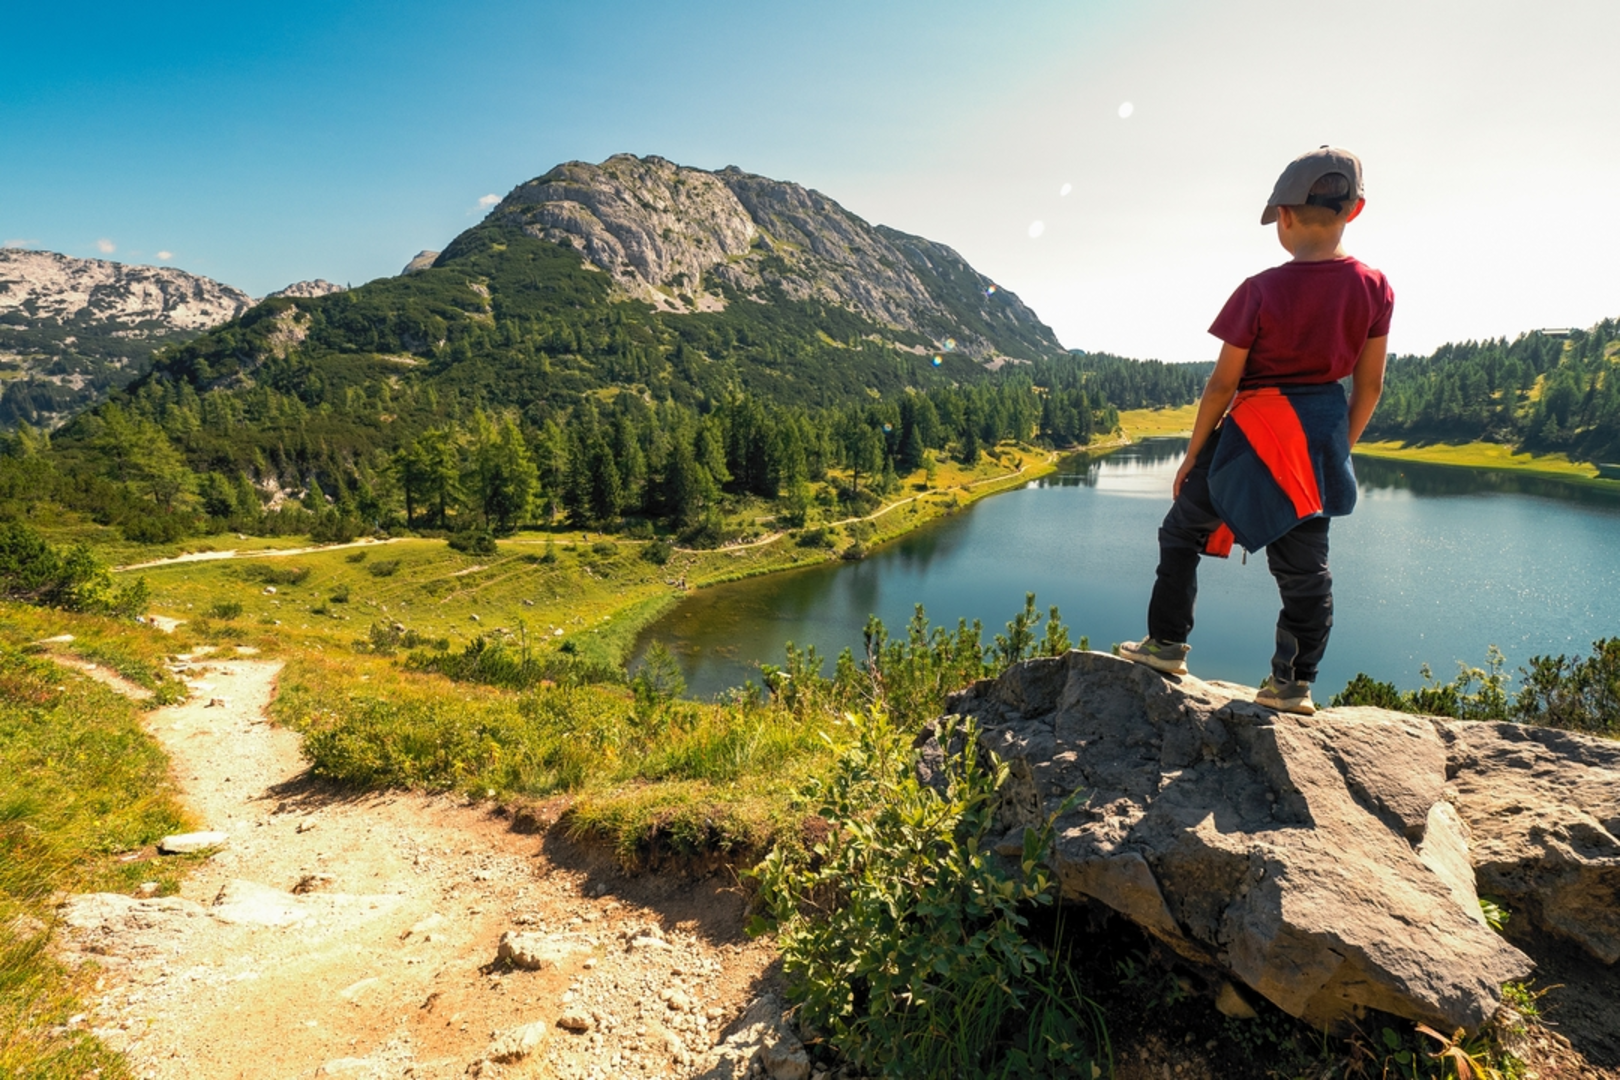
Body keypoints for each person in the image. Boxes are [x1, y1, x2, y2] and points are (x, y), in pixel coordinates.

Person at [1118, 146, 1393, 716]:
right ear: (1355, 211)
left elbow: (1220, 387)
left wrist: (1193, 456)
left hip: (1247, 437)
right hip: (1318, 438)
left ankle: (1166, 645)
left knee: (1182, 533)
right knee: (1305, 571)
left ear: (1285, 217)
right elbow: (1368, 389)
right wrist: (1335, 451)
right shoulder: (1374, 287)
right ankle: (1292, 684)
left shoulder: (1260, 290)